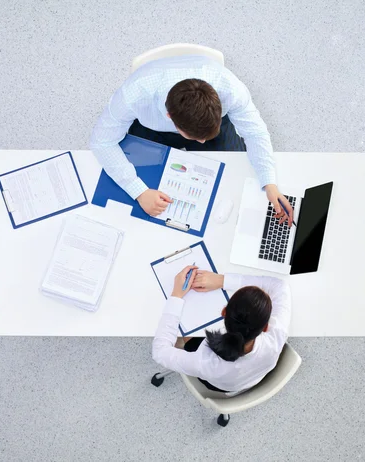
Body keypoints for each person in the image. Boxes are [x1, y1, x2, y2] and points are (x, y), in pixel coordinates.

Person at [89, 54, 293, 226]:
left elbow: (256, 133)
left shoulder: (231, 90)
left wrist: (270, 183)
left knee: (236, 174)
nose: (201, 144)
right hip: (151, 127)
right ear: (170, 118)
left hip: (207, 122)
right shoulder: (134, 94)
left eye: (204, 138)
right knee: (145, 191)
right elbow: (101, 142)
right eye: (197, 138)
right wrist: (139, 191)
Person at [152, 266, 292, 394]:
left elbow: (159, 352)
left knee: (188, 335)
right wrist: (221, 280)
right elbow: (280, 286)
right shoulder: (276, 335)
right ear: (266, 327)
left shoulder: (205, 362)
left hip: (219, 384)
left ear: (224, 312)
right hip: (254, 376)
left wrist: (176, 295)